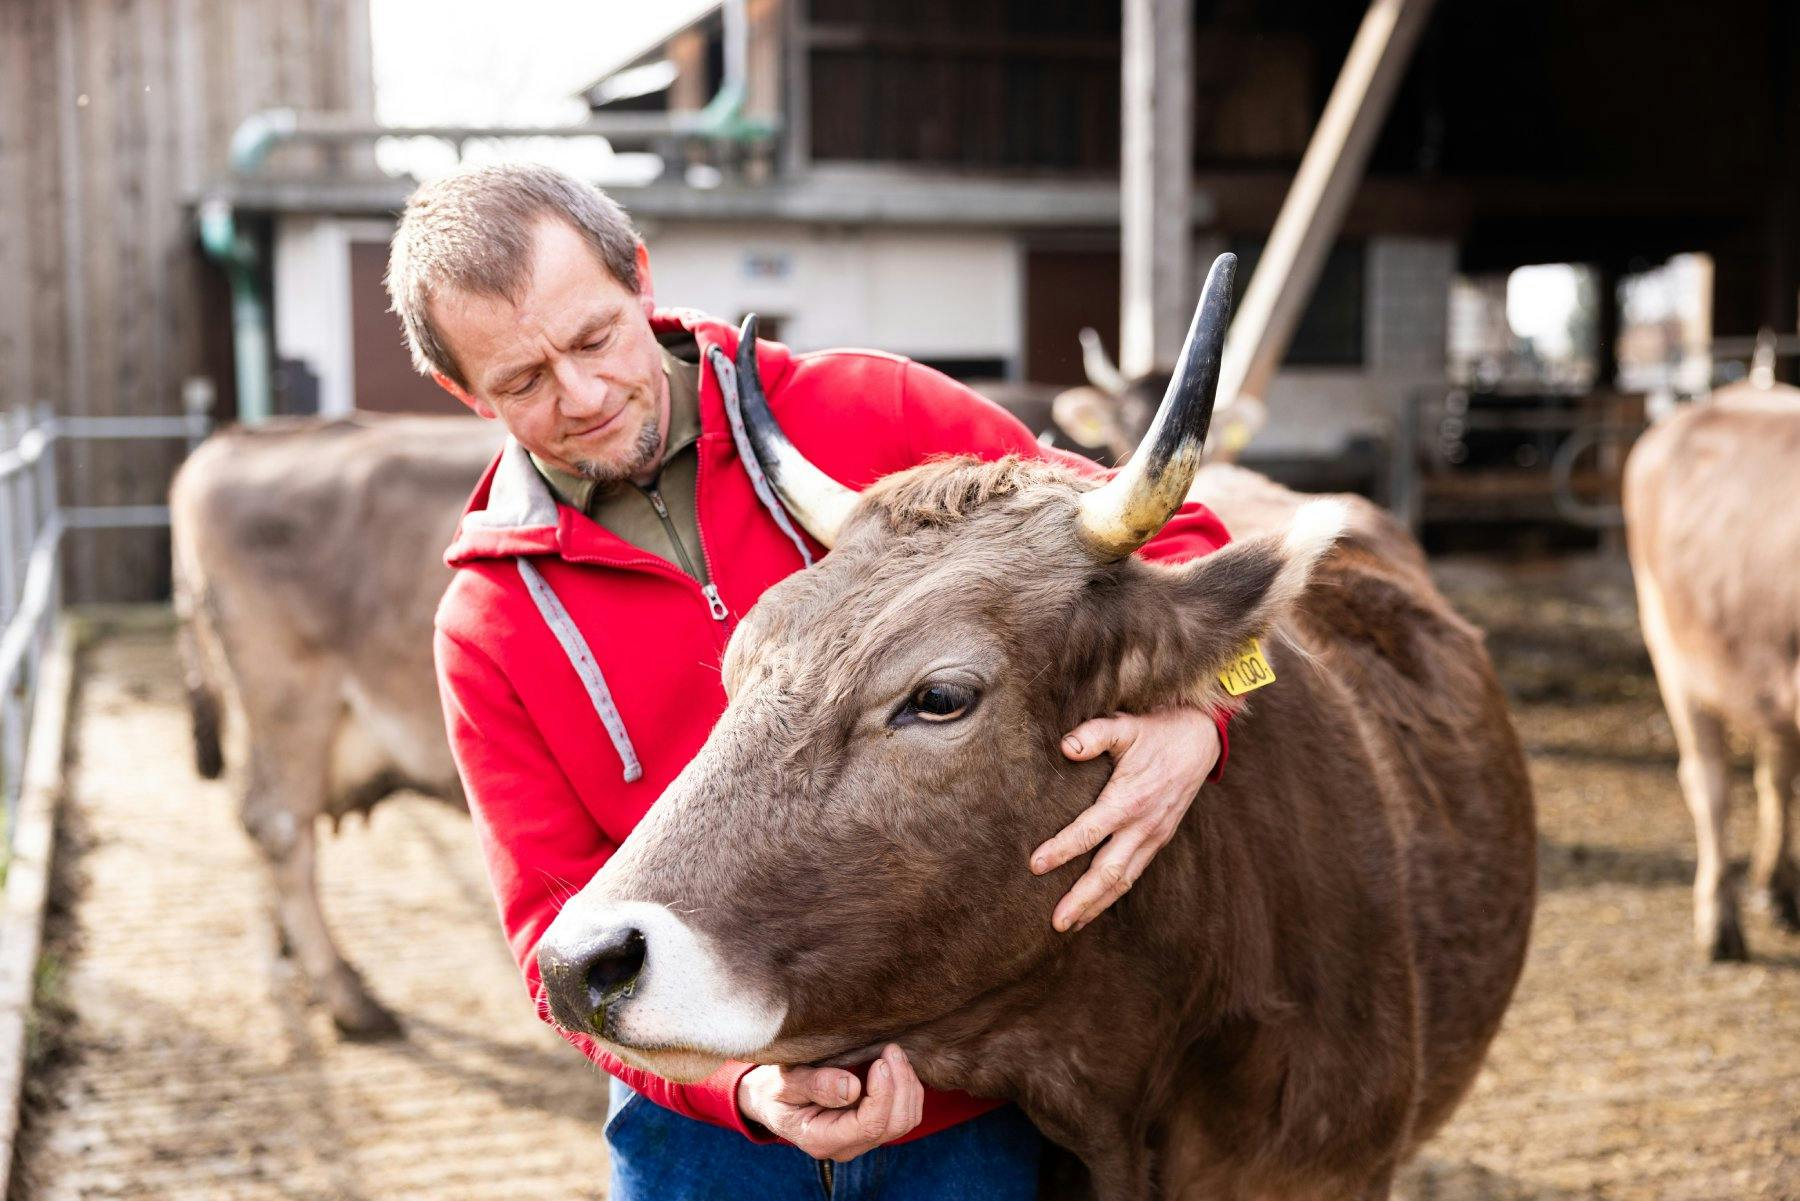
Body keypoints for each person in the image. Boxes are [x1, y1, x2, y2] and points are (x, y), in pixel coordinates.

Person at [389, 162, 1232, 1200]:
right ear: (460, 392)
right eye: (522, 381)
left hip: (962, 1093)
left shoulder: (868, 411)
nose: (584, 395)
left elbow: (1185, 549)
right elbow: (547, 937)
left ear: (639, 278)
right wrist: (745, 1090)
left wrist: (1200, 717)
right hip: (701, 1130)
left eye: (597, 337)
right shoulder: (488, 625)